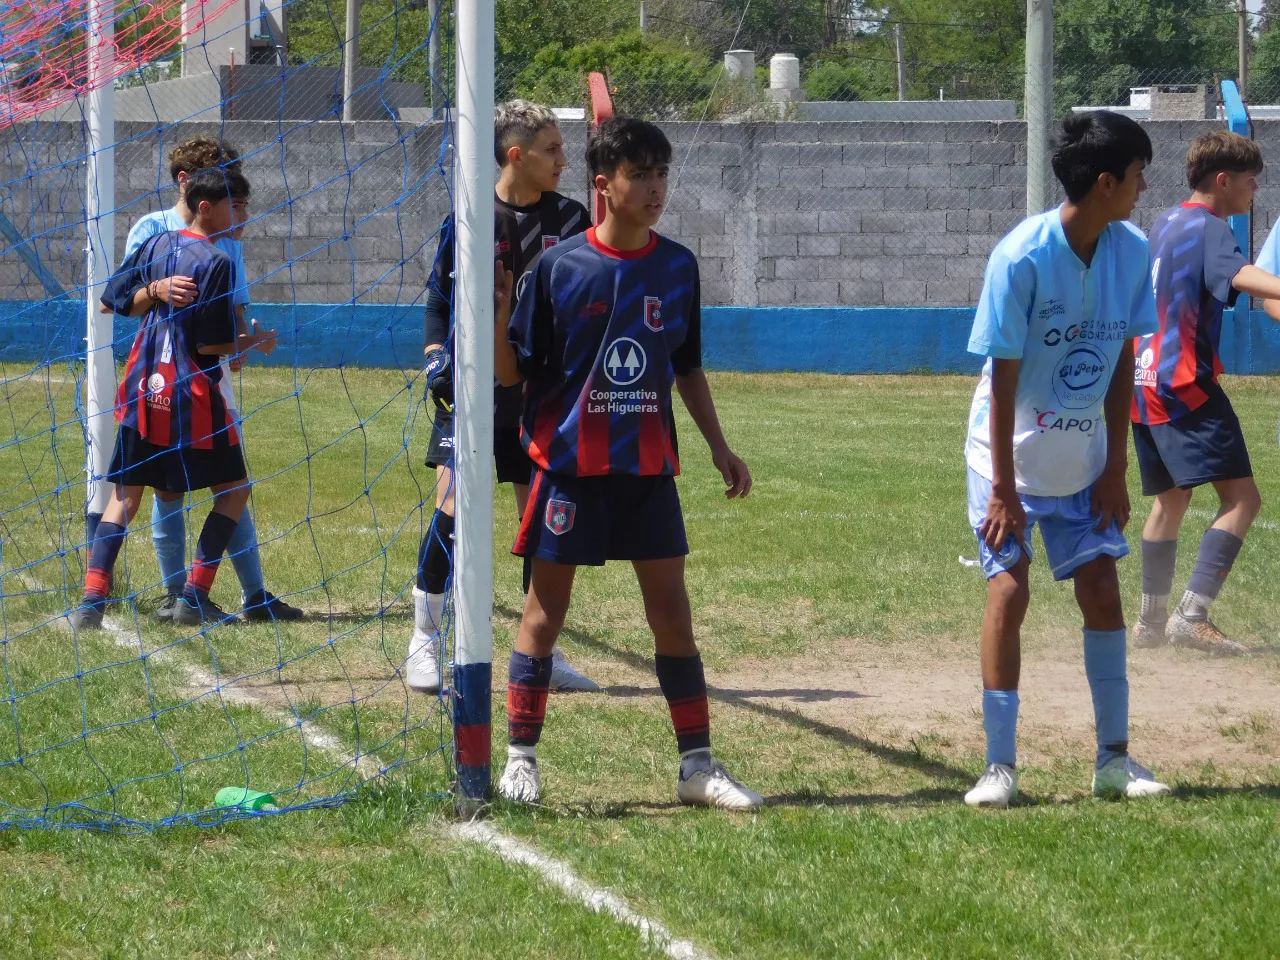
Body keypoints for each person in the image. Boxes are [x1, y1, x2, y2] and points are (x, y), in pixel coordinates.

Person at [490, 116, 761, 810]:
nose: (655, 187)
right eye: (640, 174)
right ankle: (520, 759)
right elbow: (516, 370)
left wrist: (718, 446)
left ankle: (696, 766)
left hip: (647, 471)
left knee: (672, 615)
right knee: (544, 614)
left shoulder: (677, 267)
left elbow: (687, 365)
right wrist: (492, 318)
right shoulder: (558, 269)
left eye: (662, 173)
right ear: (603, 185)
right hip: (570, 469)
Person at [962, 111, 1171, 808]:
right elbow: (1004, 379)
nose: (1145, 188)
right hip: (1009, 461)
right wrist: (1001, 489)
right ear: (1106, 182)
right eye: (1139, 176)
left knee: (1102, 591)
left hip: (1083, 462)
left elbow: (1119, 361)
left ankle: (1114, 761)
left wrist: (1114, 465)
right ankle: (1000, 768)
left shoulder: (1132, 250)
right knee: (1009, 592)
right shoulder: (1021, 256)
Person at [410, 100, 596, 694]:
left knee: (538, 521)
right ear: (516, 155)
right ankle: (423, 642)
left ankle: (542, 651)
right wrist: (436, 354)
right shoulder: (466, 216)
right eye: (553, 149)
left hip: (538, 394)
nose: (563, 160)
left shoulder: (571, 220)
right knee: (454, 510)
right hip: (467, 390)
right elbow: (438, 297)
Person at [71, 167, 278, 631]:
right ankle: (193, 597)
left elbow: (111, 298)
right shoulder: (217, 261)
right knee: (235, 490)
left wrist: (154, 290)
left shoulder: (157, 244)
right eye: (237, 205)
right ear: (207, 207)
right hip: (193, 398)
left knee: (126, 496)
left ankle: (91, 603)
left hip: (145, 389)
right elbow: (208, 346)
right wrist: (251, 343)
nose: (243, 215)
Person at [123, 136, 302, 623]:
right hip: (163, 375)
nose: (236, 202)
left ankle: (254, 594)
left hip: (210, 372)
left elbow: (234, 298)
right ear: (190, 184)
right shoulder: (153, 229)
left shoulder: (227, 233)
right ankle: (178, 593)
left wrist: (242, 337)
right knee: (170, 486)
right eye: (227, 186)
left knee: (230, 480)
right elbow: (126, 296)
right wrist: (158, 289)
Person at [1134, 132, 1280, 655]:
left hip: (1144, 380)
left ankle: (1149, 625)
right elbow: (1238, 275)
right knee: (1242, 499)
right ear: (1222, 180)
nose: (1254, 189)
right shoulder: (1210, 227)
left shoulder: (1166, 221)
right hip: (1186, 386)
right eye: (1248, 179)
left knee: (1170, 501)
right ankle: (1191, 616)